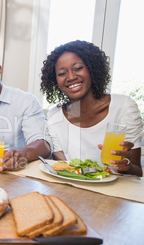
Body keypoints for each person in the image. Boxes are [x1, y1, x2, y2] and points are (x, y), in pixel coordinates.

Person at [40, 40, 143, 176]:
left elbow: (137, 172)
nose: (71, 77)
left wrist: (126, 167)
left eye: (78, 68)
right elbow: (63, 170)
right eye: (62, 73)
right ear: (55, 80)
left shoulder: (123, 107)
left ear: (92, 68)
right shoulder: (55, 116)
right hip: (74, 190)